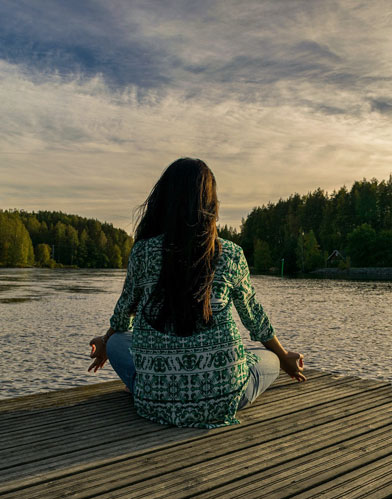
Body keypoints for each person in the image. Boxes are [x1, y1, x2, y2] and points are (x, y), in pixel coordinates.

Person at [88, 158, 305, 429]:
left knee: (119, 341)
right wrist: (284, 358)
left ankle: (152, 386)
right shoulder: (231, 254)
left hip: (154, 402)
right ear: (210, 204)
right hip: (224, 398)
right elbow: (255, 319)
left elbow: (123, 315)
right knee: (269, 358)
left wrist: (106, 341)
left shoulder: (143, 252)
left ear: (164, 200)